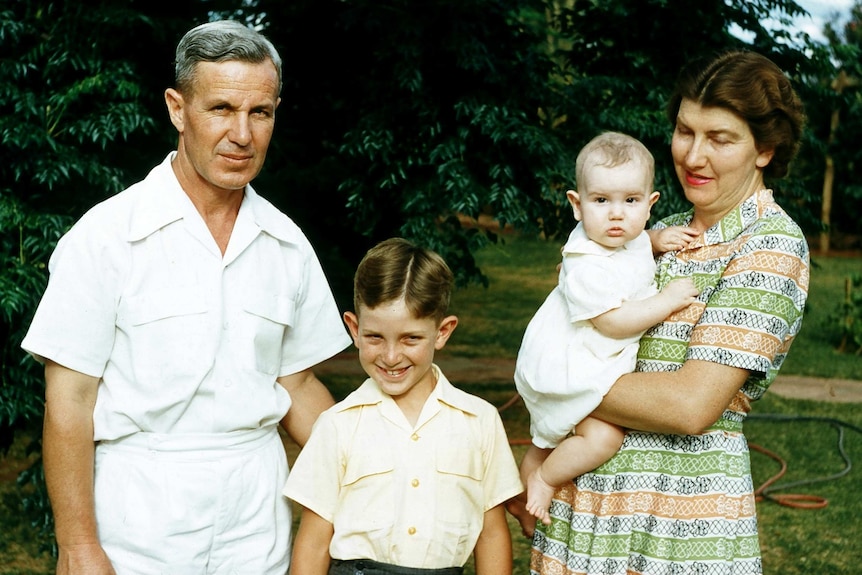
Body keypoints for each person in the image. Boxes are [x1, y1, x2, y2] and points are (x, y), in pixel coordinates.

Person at [21, 20, 351, 575]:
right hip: (137, 520)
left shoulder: (287, 244)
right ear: (178, 109)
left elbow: (296, 387)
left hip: (257, 521)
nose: (242, 135)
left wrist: (391, 460)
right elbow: (69, 402)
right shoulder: (106, 236)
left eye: (260, 112)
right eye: (220, 108)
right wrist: (78, 545)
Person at [528, 50, 810, 575]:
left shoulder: (768, 245)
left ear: (765, 149)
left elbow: (689, 405)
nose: (693, 156)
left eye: (720, 139)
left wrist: (553, 384)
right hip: (588, 506)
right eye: (685, 131)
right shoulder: (650, 228)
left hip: (679, 518)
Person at [284, 237, 524, 575]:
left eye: (411, 338)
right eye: (375, 337)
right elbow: (313, 540)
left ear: (442, 332)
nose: (392, 356)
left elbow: (492, 532)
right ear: (354, 328)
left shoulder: (479, 421)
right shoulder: (337, 424)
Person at [509, 131, 700, 530]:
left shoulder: (625, 239)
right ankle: (542, 481)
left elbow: (631, 247)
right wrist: (665, 301)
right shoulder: (583, 263)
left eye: (630, 201)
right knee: (603, 439)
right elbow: (612, 323)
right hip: (573, 363)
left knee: (548, 439)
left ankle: (523, 488)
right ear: (577, 206)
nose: (617, 214)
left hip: (582, 356)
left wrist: (655, 240)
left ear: (650, 206)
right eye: (601, 201)